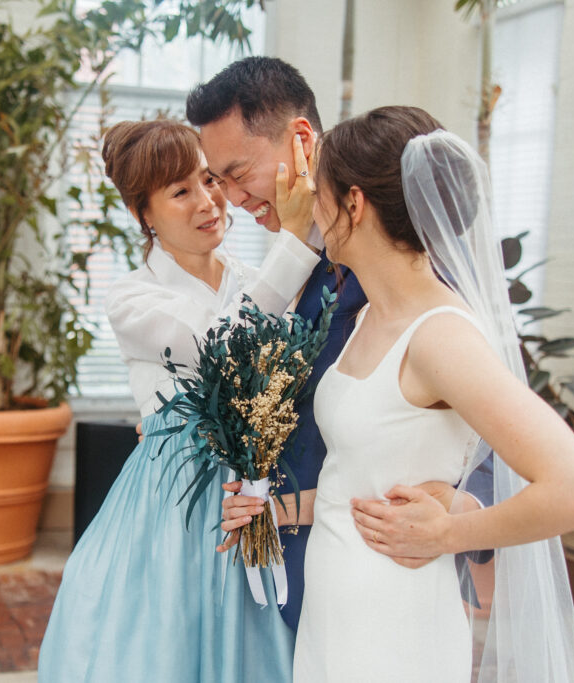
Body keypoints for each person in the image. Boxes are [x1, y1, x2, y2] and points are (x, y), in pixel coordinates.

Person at [240, 105, 574, 681]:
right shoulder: (369, 316)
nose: (311, 207)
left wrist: (452, 531)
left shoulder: (440, 336)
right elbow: (358, 480)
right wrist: (268, 510)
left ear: (355, 205)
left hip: (395, 623)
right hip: (334, 612)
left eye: (322, 194)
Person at [186, 56, 492, 634]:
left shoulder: (412, 249)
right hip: (283, 550)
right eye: (216, 180)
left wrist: (458, 515)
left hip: (379, 559)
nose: (227, 197)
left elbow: (491, 413)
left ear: (300, 138)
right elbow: (235, 375)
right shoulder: (291, 251)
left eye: (236, 172)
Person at [37, 119, 320, 682]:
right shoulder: (133, 297)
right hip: (174, 504)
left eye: (209, 180)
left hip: (255, 494)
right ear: (145, 214)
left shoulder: (250, 277)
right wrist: (293, 243)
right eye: (181, 192)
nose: (209, 202)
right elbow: (228, 349)